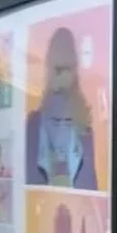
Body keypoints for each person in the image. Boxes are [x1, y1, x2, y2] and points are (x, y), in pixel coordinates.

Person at [26, 27, 99, 189]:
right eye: (57, 68)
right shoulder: (33, 125)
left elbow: (90, 190)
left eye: (66, 67)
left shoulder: (84, 127)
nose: (61, 75)